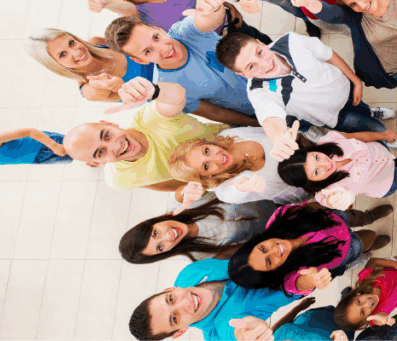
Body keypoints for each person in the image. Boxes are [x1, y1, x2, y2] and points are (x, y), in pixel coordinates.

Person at [215, 31, 397, 163]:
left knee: (364, 109)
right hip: (336, 117)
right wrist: (278, 138)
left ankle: (371, 112)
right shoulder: (259, 91)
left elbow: (328, 55)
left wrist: (356, 81)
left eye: (259, 52)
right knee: (374, 129)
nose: (264, 63)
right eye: (251, 66)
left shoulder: (291, 41)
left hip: (347, 90)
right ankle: (382, 137)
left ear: (261, 43)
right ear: (243, 75)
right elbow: (269, 115)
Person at [103, 0, 260, 126]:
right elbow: (216, 113)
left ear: (158, 28)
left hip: (269, 74)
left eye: (156, 37)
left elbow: (206, 21)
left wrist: (213, 8)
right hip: (256, 110)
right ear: (140, 60)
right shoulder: (168, 86)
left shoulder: (184, 31)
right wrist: (257, 124)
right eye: (148, 51)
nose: (164, 48)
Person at [63, 78, 226, 192]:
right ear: (97, 162)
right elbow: (153, 184)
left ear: (109, 124)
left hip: (233, 138)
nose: (116, 145)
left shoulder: (150, 117)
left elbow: (177, 97)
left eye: (106, 136)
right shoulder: (118, 179)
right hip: (226, 178)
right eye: (101, 152)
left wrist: (153, 91)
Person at [227, 203, 397, 295]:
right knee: (367, 239)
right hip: (346, 249)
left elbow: (311, 208)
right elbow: (298, 284)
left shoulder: (280, 217)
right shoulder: (290, 276)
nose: (275, 250)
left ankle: (370, 216)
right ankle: (371, 245)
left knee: (356, 217)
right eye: (269, 261)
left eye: (263, 248)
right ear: (274, 271)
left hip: (334, 217)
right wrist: (312, 281)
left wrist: (330, 203)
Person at [126, 258, 299, 341]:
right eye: (175, 318)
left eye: (171, 299)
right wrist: (245, 332)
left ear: (170, 289)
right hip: (301, 277)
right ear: (180, 332)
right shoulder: (218, 335)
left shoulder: (189, 274)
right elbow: (236, 330)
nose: (185, 302)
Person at [290, 0, 397, 94]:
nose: (363, 5)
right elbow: (332, 14)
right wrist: (310, 3)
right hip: (387, 65)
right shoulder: (355, 16)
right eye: (353, 4)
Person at [167, 127, 312, 205]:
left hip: (313, 152)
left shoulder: (230, 134)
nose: (216, 157)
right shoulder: (225, 191)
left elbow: (275, 132)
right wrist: (241, 187)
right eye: (206, 166)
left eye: (207, 151)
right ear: (207, 176)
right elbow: (233, 191)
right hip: (310, 188)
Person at [278, 130, 397, 210]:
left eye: (316, 157)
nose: (325, 164)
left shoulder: (327, 141)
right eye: (316, 172)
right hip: (387, 182)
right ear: (310, 182)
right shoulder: (327, 192)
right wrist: (339, 199)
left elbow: (359, 136)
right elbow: (332, 200)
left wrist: (384, 135)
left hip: (382, 152)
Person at [119, 199, 278, 264]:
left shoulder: (182, 203)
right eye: (160, 247)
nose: (168, 237)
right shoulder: (195, 257)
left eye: (155, 233)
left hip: (272, 196)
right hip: (275, 228)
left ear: (152, 223)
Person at [26, 28, 153, 102]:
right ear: (56, 65)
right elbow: (96, 89)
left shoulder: (96, 42)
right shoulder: (87, 90)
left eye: (71, 43)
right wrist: (102, 85)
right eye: (62, 55)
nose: (76, 52)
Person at [86, 0, 272, 44]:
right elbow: (121, 8)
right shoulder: (137, 12)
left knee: (266, 44)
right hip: (212, 45)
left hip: (230, 24)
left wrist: (226, 5)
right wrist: (105, 2)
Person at [333, 252, 397, 331]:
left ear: (355, 295)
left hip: (394, 271)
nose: (366, 303)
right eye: (363, 312)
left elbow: (372, 262)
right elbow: (379, 319)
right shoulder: (376, 316)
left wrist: (396, 265)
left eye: (358, 302)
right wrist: (382, 320)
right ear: (366, 319)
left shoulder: (365, 279)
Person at [0, 128, 71, 165]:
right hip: (35, 158)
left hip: (44, 144)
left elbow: (30, 132)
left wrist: (55, 146)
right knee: (75, 157)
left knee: (78, 146)